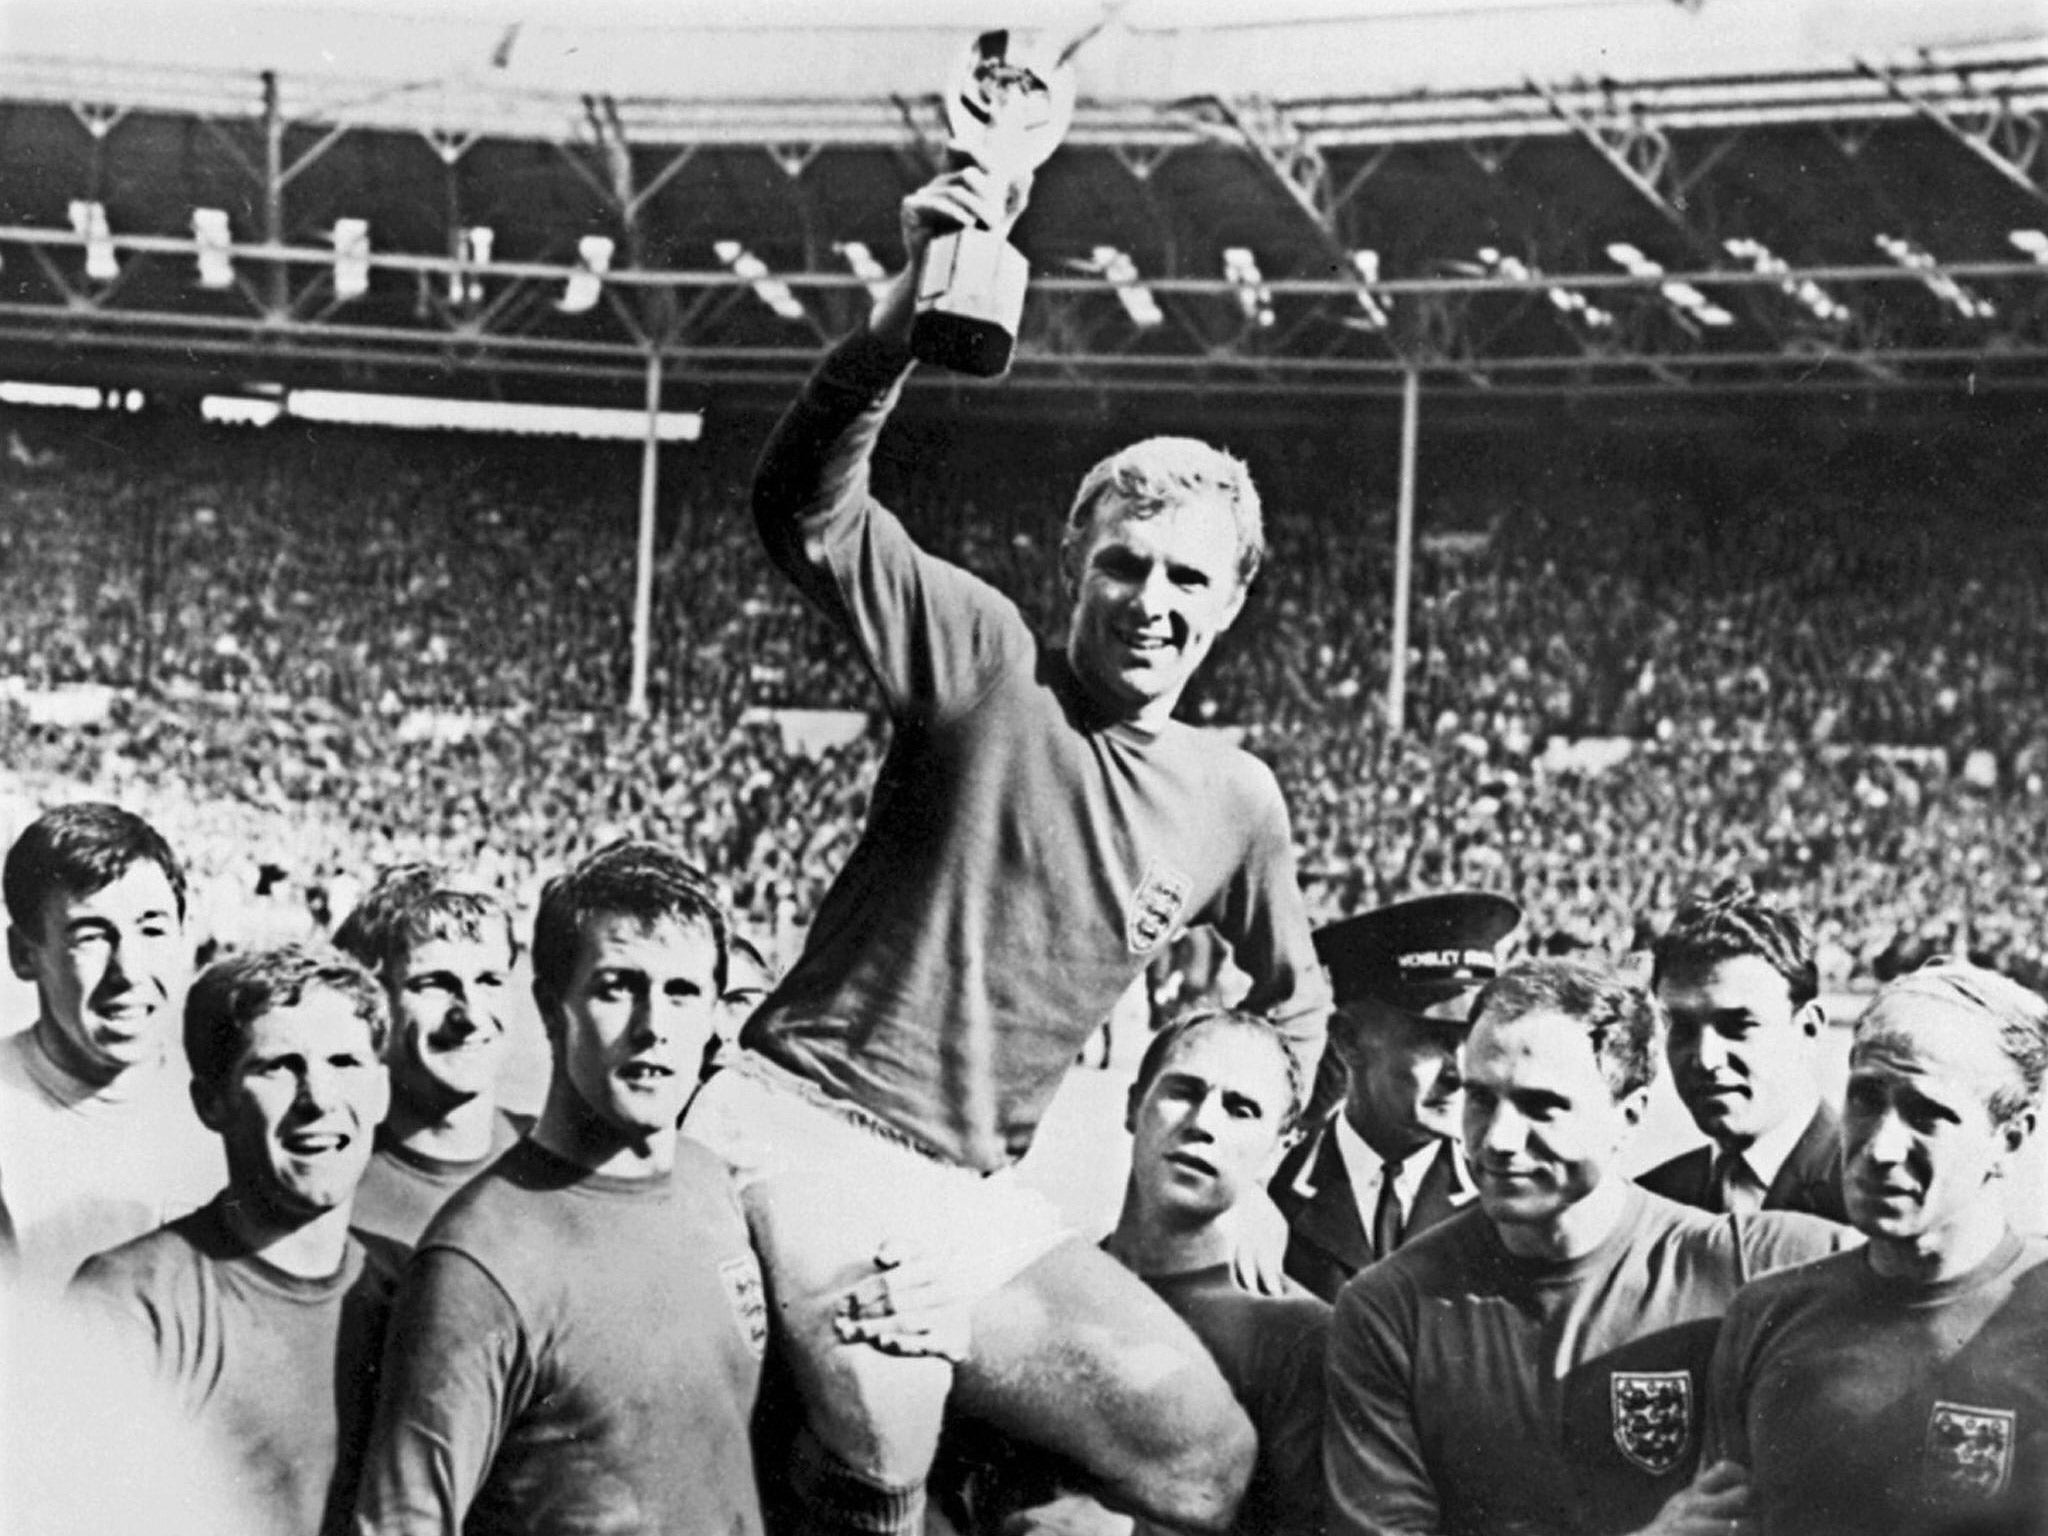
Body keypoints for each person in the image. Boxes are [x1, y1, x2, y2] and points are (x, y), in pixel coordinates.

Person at [682, 154, 1329, 1534]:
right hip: (807, 1128)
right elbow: (805, 509)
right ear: (1075, 563)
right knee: (877, 1449)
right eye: (1125, 564)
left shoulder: (1235, 800)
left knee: (1200, 1464)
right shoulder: (985, 659)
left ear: (1232, 606)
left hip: (969, 1194)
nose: (1151, 600)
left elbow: (1297, 996)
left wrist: (1261, 1174)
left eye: (1188, 579)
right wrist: (900, 320)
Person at [1324, 956, 1849, 1536]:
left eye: (1541, 1107)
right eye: (1480, 1099)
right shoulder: (1390, 1309)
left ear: (1630, 1115)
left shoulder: (1749, 1262)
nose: (1498, 1140)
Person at [353, 840, 767, 1536]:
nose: (654, 1028)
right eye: (617, 988)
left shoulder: (712, 1185)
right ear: (551, 1007)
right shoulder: (480, 1261)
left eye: (682, 992)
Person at [946, 1008, 1330, 1536]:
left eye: (1240, 1109)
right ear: (1134, 1105)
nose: (1203, 1123)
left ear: (1279, 1150)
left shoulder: (1302, 1339)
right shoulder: (1048, 1283)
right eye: (1184, 1091)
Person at [1705, 961, 2048, 1536]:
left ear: (2009, 1137)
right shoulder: (1767, 1314)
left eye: (1926, 1114)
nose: (1882, 1147)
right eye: (1866, 1098)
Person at [71, 942, 400, 1536]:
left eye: (344, 1063)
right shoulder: (132, 1305)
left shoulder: (410, 1289)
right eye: (278, 1066)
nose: (319, 1099)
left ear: (380, 1091)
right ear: (211, 1102)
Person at [0, 802, 223, 1289]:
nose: (130, 970)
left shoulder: (231, 1106)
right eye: (91, 935)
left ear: (186, 940)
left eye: (153, 929)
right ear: (24, 954)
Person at [1271, 892, 1520, 1300]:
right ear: (1348, 1040)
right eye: (1435, 1040)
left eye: (1471, 1041)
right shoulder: (1270, 1188)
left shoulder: (1507, 1201)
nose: (1461, 1072)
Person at [331, 863, 528, 1250]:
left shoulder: (562, 1160)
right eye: (435, 984)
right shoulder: (329, 1195)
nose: (470, 1015)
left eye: (490, 981)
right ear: (373, 1005)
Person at [1639, 878, 1846, 1222]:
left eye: (1738, 1027)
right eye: (1683, 1028)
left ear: (1808, 1030)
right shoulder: (1655, 1200)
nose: (1706, 1058)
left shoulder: (1877, 1197)